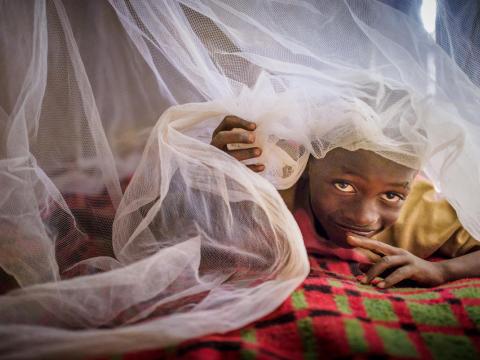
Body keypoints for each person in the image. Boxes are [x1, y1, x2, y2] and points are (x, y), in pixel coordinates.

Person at [211, 115, 480, 289]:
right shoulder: (272, 183)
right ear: (308, 164)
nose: (364, 217)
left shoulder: (425, 212)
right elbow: (185, 225)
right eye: (345, 185)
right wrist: (211, 171)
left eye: (392, 195)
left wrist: (442, 270)